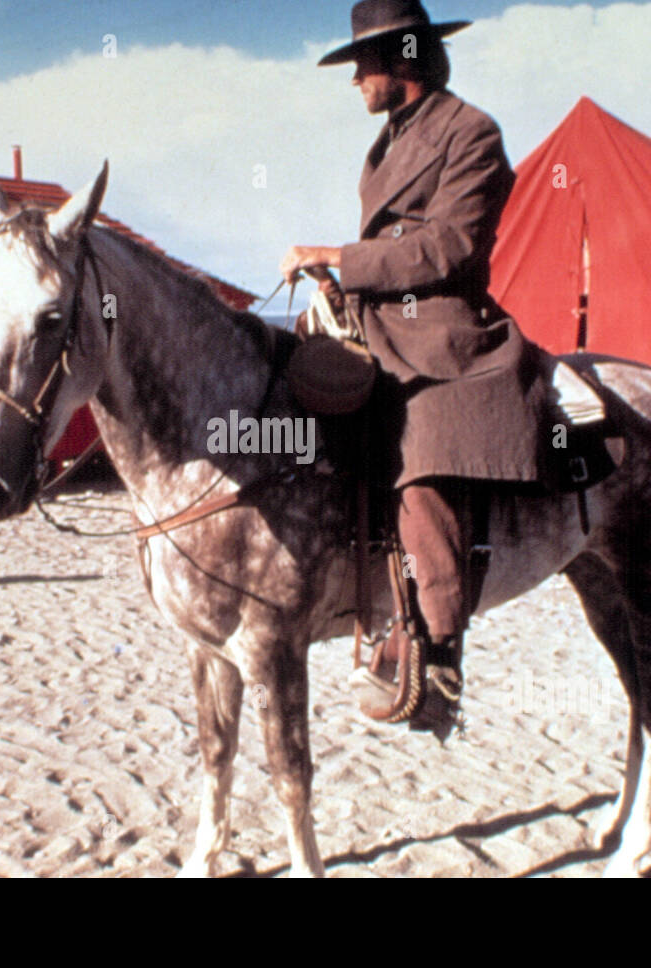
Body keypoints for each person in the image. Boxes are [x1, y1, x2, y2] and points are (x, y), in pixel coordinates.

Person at [281, 0, 547, 738]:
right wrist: (344, 286)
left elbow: (450, 247)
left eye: (362, 63)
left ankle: (436, 652)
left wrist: (339, 257)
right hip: (376, 315)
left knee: (422, 448)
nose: (355, 80)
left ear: (402, 60)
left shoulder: (472, 133)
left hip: (441, 327)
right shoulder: (387, 144)